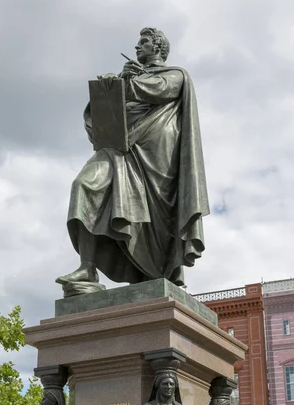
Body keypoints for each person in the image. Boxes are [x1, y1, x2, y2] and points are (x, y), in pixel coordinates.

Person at [57, 27, 209, 289]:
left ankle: (156, 271)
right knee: (83, 185)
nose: (138, 47)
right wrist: (109, 88)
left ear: (159, 48)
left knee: (155, 219)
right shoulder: (127, 79)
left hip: (156, 155)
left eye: (144, 42)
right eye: (138, 43)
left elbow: (157, 89)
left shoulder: (175, 75)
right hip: (119, 149)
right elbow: (103, 112)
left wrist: (125, 83)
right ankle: (87, 268)